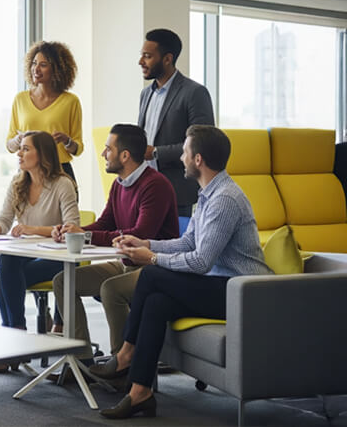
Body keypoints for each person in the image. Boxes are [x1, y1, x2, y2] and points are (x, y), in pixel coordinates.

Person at [98, 125, 272, 420]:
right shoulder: (207, 195)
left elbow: (201, 261)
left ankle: (126, 354)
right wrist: (146, 243)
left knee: (152, 276)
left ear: (198, 159)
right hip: (221, 285)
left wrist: (150, 258)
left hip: (241, 291)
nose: (180, 158)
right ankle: (140, 392)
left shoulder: (224, 200)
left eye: (185, 152)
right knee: (156, 303)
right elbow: (189, 242)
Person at [49, 124, 179, 367]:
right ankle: (83, 362)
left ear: (125, 155)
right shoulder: (119, 184)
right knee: (64, 282)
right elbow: (105, 223)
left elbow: (140, 234)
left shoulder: (155, 185)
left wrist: (86, 236)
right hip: (125, 264)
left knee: (111, 289)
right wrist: (74, 231)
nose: (103, 154)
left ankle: (121, 365)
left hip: (152, 267)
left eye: (108, 149)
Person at [0, 131, 80, 373]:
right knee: (6, 267)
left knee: (5, 273)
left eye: (25, 149)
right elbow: (4, 218)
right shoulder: (17, 183)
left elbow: (72, 226)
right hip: (27, 258)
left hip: (60, 259)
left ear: (42, 154)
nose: (19, 153)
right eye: (19, 148)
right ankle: (18, 335)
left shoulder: (63, 184)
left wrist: (32, 229)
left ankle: (14, 340)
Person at [138, 28, 215, 217]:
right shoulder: (146, 94)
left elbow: (202, 144)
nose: (141, 62)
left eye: (147, 56)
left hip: (177, 191)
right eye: (142, 55)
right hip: (145, 187)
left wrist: (156, 153)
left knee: (175, 244)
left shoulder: (194, 93)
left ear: (167, 59)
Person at [6, 41, 83, 184]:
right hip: (27, 175)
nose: (36, 69)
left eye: (43, 65)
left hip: (60, 173)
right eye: (34, 63)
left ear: (57, 69)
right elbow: (10, 146)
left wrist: (66, 141)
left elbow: (77, 149)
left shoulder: (71, 101)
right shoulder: (20, 99)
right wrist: (19, 139)